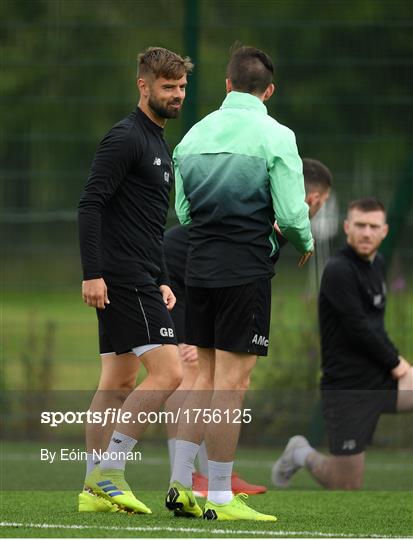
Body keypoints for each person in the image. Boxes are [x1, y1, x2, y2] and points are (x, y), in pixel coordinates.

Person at [165, 44, 314, 522]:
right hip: (244, 269)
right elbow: (292, 215)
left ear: (227, 84)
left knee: (202, 379)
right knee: (232, 384)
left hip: (198, 267)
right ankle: (223, 498)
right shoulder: (277, 135)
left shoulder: (191, 137)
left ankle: (181, 484)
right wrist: (304, 241)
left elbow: (184, 214)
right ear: (268, 90)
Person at [163, 157, 332, 497]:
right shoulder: (285, 212)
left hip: (203, 276)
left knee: (214, 374)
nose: (317, 211)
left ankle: (214, 472)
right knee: (189, 368)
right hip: (175, 275)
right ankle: (187, 476)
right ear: (314, 199)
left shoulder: (272, 203)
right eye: (322, 205)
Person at [77, 47, 193, 513]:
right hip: (123, 277)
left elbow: (145, 222)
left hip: (143, 274)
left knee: (118, 381)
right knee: (169, 372)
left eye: (181, 87)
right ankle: (111, 473)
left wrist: (163, 276)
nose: (177, 95)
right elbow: (90, 205)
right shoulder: (125, 137)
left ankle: (92, 488)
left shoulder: (158, 142)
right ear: (143, 87)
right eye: (168, 87)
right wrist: (93, 273)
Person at [272, 197, 413, 490]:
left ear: (384, 231)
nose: (366, 232)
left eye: (373, 226)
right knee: (345, 484)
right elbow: (359, 328)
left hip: (380, 379)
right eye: (360, 225)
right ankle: (301, 452)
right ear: (346, 227)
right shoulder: (339, 270)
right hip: (348, 390)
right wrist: (399, 364)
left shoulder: (378, 264)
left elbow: (374, 326)